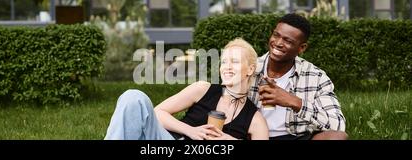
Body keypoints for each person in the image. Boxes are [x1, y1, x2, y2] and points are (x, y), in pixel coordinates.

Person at [105, 38, 269, 140]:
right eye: (224, 61)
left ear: (249, 69)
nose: (226, 67)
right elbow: (157, 113)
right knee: (133, 97)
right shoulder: (203, 89)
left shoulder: (255, 119)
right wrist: (191, 131)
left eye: (234, 61)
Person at [248, 13, 348, 140]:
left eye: (288, 41)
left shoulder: (316, 77)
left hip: (295, 137)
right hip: (253, 136)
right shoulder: (249, 69)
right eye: (276, 35)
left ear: (301, 48)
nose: (278, 43)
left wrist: (294, 102)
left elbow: (338, 125)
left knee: (337, 137)